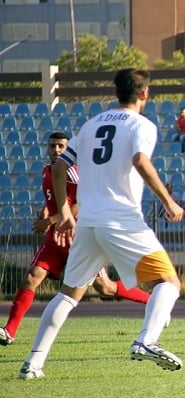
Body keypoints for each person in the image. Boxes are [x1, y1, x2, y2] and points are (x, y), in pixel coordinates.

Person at [18, 69, 185, 379]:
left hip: (88, 223)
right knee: (169, 282)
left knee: (68, 294)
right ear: (145, 94)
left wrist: (65, 211)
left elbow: (58, 169)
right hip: (121, 219)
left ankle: (33, 364)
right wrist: (168, 201)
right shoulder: (142, 124)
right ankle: (146, 341)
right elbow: (140, 161)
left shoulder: (92, 124)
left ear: (116, 92)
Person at [0, 131, 150, 348]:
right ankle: (9, 331)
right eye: (53, 146)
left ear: (69, 149)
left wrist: (50, 220)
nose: (56, 150)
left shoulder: (74, 173)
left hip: (80, 238)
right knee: (32, 277)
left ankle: (152, 302)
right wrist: (45, 212)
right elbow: (57, 199)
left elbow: (85, 201)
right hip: (55, 238)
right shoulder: (46, 172)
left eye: (61, 146)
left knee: (104, 287)